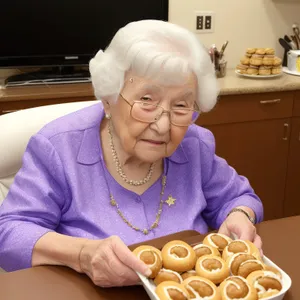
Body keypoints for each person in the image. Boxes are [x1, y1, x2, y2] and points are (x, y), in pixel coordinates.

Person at [0, 20, 263, 287]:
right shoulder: (58, 148)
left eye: (181, 105)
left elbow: (240, 197)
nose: (163, 126)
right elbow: (9, 232)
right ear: (108, 99)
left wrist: (240, 216)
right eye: (146, 101)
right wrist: (82, 255)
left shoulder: (195, 144)